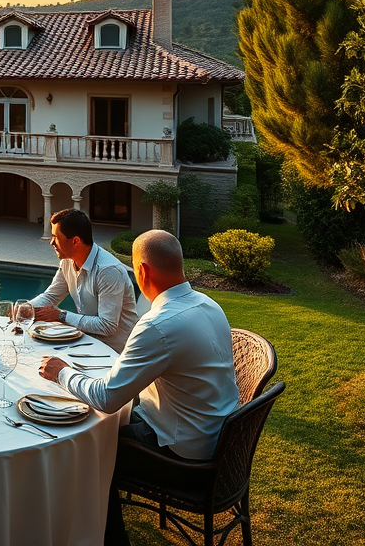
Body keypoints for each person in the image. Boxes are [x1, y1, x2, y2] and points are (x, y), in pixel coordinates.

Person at [39, 229, 239, 545]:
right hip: (217, 436)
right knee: (97, 426)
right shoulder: (208, 304)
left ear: (142, 271)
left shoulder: (158, 324)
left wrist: (61, 372)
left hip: (183, 454)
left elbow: (106, 398)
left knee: (85, 448)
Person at [28, 209, 138, 353]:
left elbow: (107, 326)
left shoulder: (108, 271)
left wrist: (60, 315)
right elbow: (51, 296)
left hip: (116, 353)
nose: (51, 242)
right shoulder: (68, 262)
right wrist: (26, 308)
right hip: (87, 344)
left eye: (55, 237)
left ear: (75, 241)